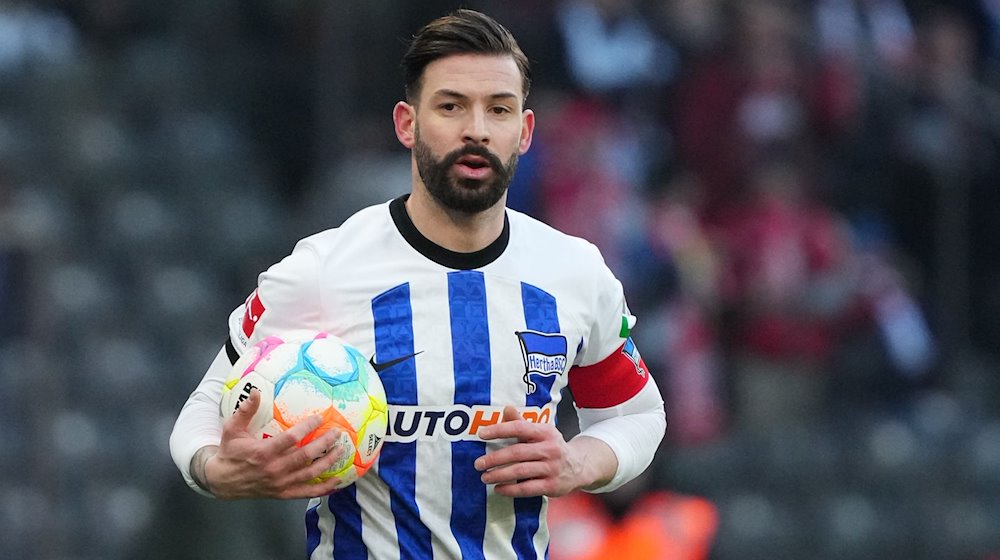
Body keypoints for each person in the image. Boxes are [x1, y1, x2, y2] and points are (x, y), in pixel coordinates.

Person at [169, 9, 666, 559]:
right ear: (407, 124)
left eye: (498, 109)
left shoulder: (574, 272)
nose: (476, 128)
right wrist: (216, 470)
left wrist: (580, 463)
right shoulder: (325, 269)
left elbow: (636, 415)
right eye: (451, 106)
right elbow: (208, 400)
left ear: (523, 132)